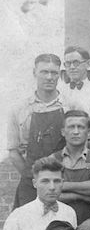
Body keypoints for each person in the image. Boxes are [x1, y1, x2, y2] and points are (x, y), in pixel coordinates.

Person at [10, 54, 68, 207]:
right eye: (44, 72)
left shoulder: (70, 106)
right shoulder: (20, 109)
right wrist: (32, 177)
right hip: (31, 182)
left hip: (62, 181)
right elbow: (13, 152)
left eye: (54, 72)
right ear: (34, 72)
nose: (49, 77)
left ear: (59, 75)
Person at [52, 110, 90, 223]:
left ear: (88, 132)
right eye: (71, 127)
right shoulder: (53, 160)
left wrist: (62, 185)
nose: (76, 132)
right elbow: (50, 194)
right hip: (58, 222)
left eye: (81, 127)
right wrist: (80, 197)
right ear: (63, 132)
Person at [59, 46, 90, 115]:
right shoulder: (60, 90)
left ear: (88, 64)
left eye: (76, 63)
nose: (72, 67)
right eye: (68, 63)